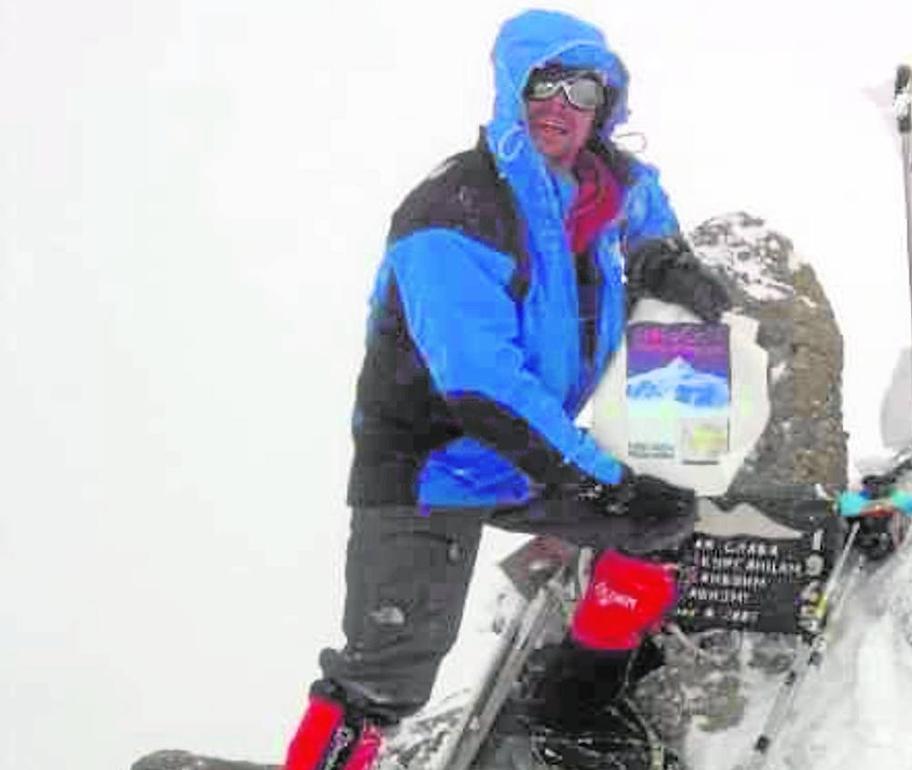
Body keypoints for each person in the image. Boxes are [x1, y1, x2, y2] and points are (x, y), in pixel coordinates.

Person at [282, 9, 730, 770]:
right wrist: (609, 482)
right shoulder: (453, 211)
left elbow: (642, 210)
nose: (560, 103)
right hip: (431, 465)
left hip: (526, 455)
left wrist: (662, 259)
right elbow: (482, 387)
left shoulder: (600, 186)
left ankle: (572, 704)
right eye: (542, 83)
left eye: (582, 88)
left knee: (660, 531)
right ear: (509, 90)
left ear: (606, 105)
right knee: (388, 671)